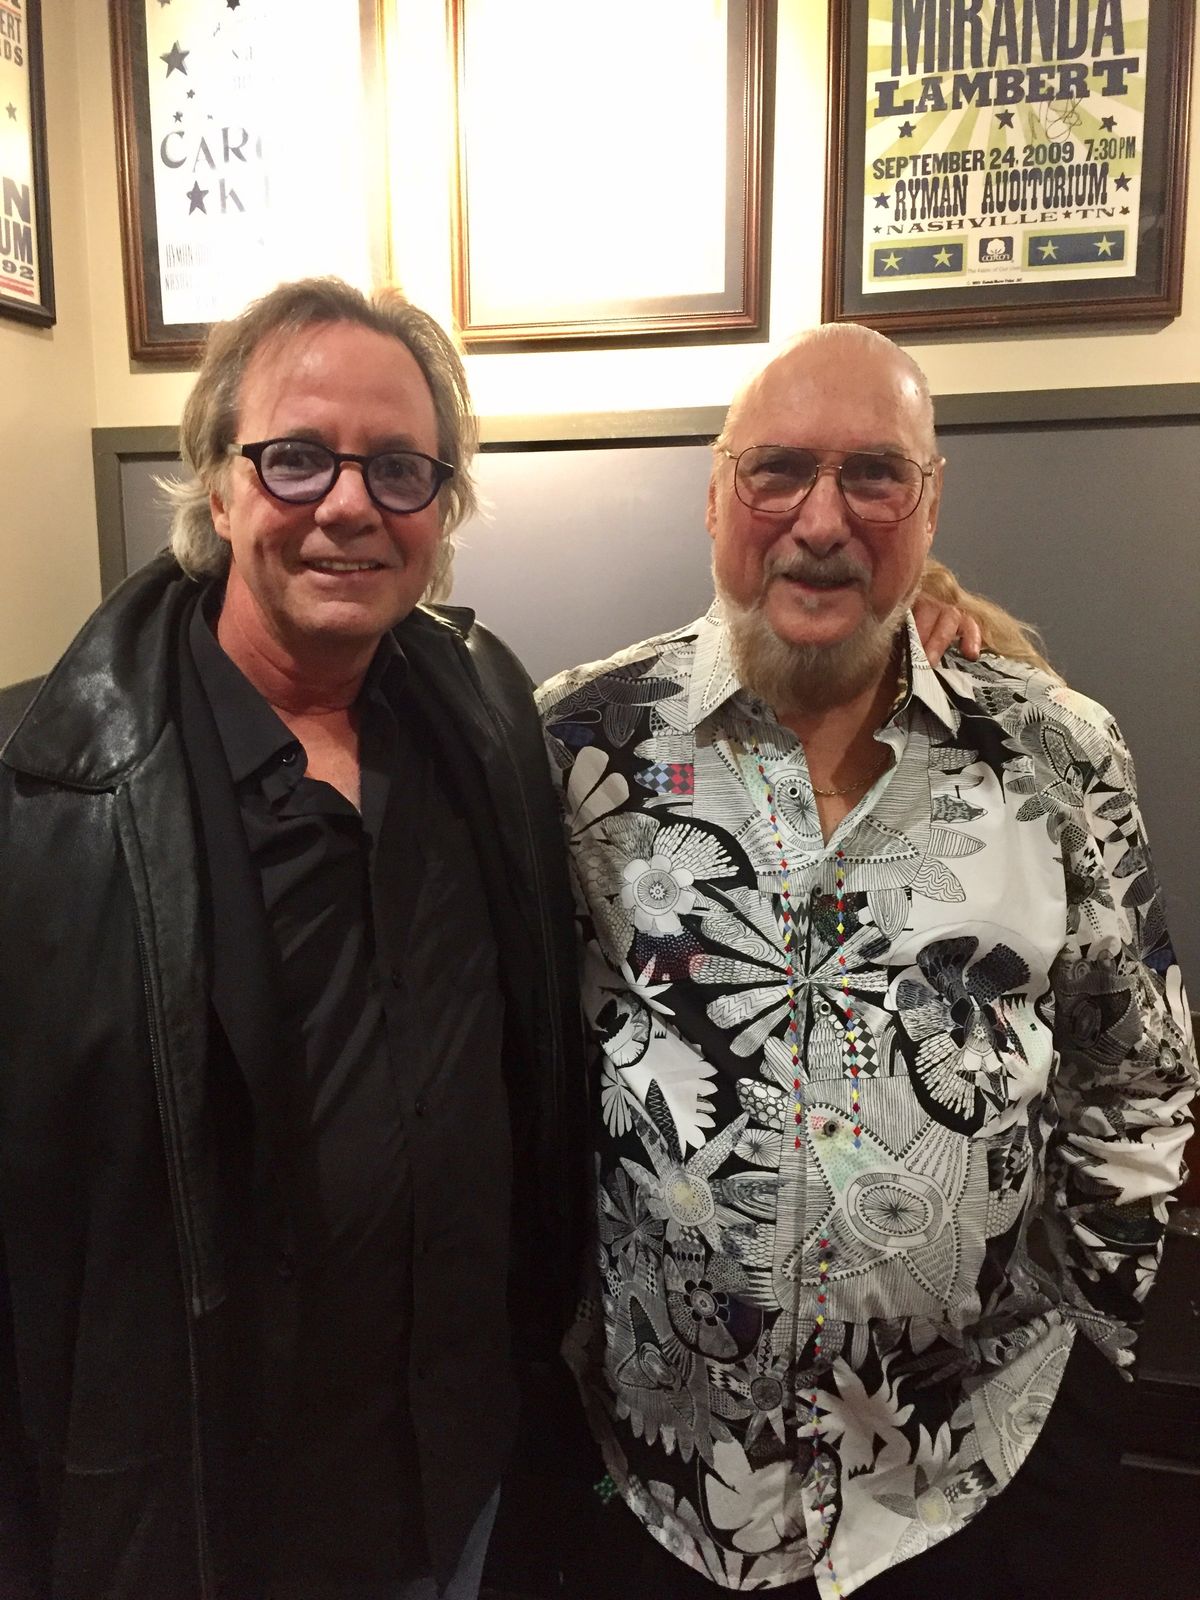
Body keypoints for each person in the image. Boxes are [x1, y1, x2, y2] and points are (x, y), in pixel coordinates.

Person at [537, 323, 1198, 1599]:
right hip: (658, 1485)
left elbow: (1138, 1071)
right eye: (778, 469)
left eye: (875, 475)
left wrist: (1096, 1352)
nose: (823, 519)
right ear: (715, 494)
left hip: (970, 1474)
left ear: (931, 501)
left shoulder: (1056, 752)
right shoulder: (577, 745)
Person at [0, 278, 589, 1600]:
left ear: (441, 508)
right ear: (219, 485)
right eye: (298, 457)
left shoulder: (485, 715)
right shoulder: (44, 798)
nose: (349, 504)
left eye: (399, 468)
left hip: (459, 1481)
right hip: (209, 1529)